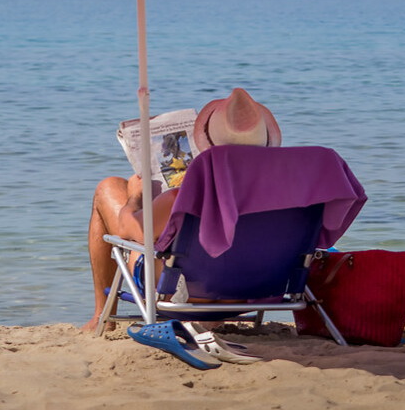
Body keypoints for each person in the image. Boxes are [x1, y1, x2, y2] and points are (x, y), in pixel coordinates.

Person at [82, 88, 282, 333]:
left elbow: (127, 230)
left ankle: (102, 316)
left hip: (184, 298)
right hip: (248, 295)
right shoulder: (284, 196)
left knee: (108, 188)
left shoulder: (184, 197)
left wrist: (135, 197)